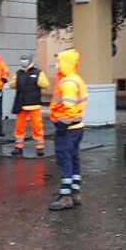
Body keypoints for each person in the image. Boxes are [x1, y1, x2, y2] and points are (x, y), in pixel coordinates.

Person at [48, 49, 88, 211]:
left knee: (64, 159)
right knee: (73, 158)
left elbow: (69, 107)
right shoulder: (77, 79)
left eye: (59, 61)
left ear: (66, 63)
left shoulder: (68, 83)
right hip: (77, 128)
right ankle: (75, 192)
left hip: (68, 128)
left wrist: (61, 124)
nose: (57, 65)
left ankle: (66, 197)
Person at [10, 54, 49, 157]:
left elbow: (45, 84)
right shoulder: (18, 73)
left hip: (34, 104)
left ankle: (40, 146)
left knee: (37, 126)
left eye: (25, 59)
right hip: (21, 104)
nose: (23, 61)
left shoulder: (38, 73)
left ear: (30, 61)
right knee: (19, 126)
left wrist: (37, 80)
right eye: (22, 59)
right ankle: (18, 146)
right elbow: (12, 85)